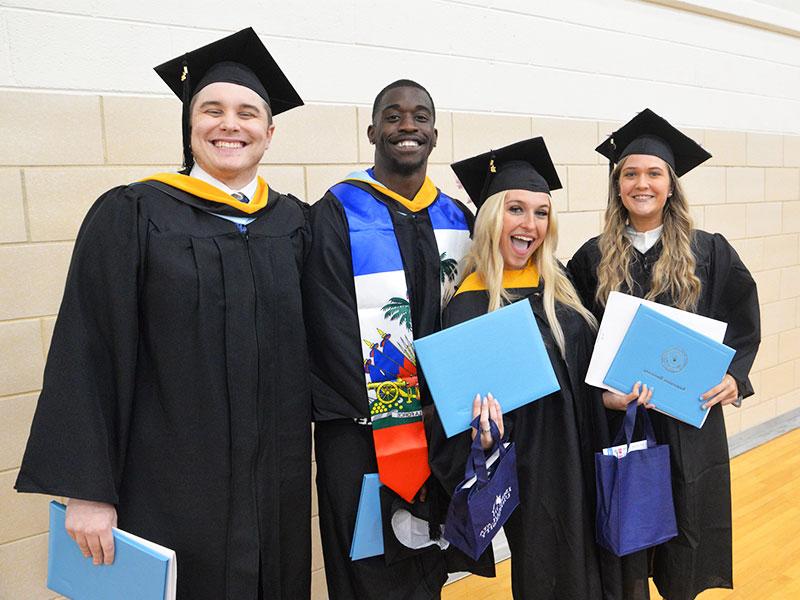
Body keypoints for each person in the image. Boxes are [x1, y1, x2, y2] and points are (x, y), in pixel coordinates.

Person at [15, 28, 312, 600]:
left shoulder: (295, 224)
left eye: (248, 112)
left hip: (276, 483)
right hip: (170, 484)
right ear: (190, 124)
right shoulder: (133, 214)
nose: (231, 124)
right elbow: (88, 349)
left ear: (269, 133)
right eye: (212, 110)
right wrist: (87, 489)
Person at [568, 108, 761, 600]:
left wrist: (735, 377)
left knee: (685, 548)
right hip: (623, 424)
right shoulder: (592, 258)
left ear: (671, 185)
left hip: (687, 425)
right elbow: (575, 345)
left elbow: (743, 322)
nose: (642, 183)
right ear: (617, 186)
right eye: (630, 173)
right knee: (626, 549)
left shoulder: (709, 252)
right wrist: (604, 398)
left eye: (654, 173)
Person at [429, 137, 633, 599]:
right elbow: (460, 415)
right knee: (554, 576)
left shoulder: (559, 282)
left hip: (591, 451)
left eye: (541, 212)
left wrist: (609, 399)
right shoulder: (470, 303)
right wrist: (482, 436)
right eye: (516, 209)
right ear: (491, 218)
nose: (530, 224)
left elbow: (581, 372)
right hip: (540, 473)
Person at [302, 79, 476, 599]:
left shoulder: (458, 218)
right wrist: (397, 413)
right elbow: (326, 323)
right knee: (368, 567)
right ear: (373, 129)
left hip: (440, 427)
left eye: (420, 117)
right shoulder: (334, 213)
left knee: (428, 558)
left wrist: (439, 412)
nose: (407, 127)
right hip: (360, 432)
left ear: (435, 134)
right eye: (394, 116)